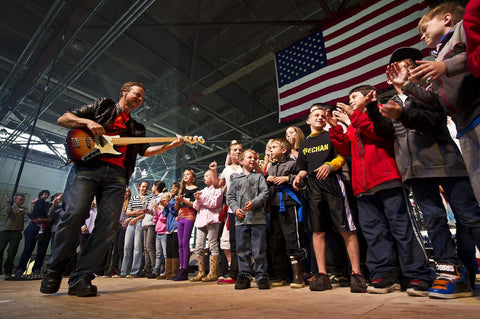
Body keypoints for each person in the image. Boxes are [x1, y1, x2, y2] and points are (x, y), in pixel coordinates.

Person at [40, 81, 183, 297]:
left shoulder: (137, 128)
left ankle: (82, 278)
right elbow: (64, 119)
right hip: (87, 169)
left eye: (143, 97)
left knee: (107, 227)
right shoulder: (102, 106)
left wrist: (169, 146)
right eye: (138, 94)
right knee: (74, 214)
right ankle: (53, 271)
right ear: (124, 92)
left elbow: (146, 151)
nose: (140, 99)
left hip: (117, 177)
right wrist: (88, 123)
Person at [375, 47, 479, 298]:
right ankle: (450, 272)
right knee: (434, 221)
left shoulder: (430, 91)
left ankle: (467, 267)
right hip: (415, 171)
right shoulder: (388, 104)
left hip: (447, 164)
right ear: (390, 77)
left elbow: (433, 120)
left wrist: (406, 98)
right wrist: (373, 111)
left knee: (470, 217)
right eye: (397, 67)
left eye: (408, 66)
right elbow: (384, 134)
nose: (403, 71)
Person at [327, 85, 434, 296]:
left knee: (402, 229)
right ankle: (385, 274)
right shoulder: (355, 124)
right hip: (363, 188)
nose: (350, 101)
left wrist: (356, 116)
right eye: (349, 98)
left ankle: (416, 274)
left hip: (388, 180)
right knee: (374, 232)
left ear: (368, 96)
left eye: (354, 96)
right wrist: (336, 129)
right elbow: (346, 149)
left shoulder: (380, 113)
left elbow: (379, 133)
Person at [400, 3, 480, 204]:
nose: (421, 36)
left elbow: (474, 56)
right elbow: (435, 100)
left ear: (446, 19)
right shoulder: (437, 57)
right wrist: (407, 85)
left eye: (424, 29)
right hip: (463, 124)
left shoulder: (463, 30)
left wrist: (445, 66)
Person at [293, 104, 366, 293]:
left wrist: (331, 166)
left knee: (346, 228)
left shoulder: (332, 134)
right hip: (313, 187)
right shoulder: (305, 144)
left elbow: (343, 154)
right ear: (308, 120)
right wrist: (299, 177)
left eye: (322, 115)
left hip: (334, 182)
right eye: (315, 115)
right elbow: (302, 166)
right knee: (317, 231)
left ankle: (357, 274)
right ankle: (323, 274)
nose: (319, 117)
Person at [266, 137, 306, 288]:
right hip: (274, 207)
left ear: (283, 150)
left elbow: (302, 180)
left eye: (274, 147)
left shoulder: (292, 163)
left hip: (289, 204)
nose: (270, 149)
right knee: (275, 242)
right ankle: (280, 275)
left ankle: (298, 275)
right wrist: (267, 180)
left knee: (292, 238)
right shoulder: (270, 168)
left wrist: (287, 178)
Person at [227, 149, 269, 290]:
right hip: (241, 221)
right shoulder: (235, 179)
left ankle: (261, 276)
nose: (252, 159)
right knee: (242, 249)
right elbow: (230, 197)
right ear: (241, 160)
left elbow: (265, 193)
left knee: (259, 249)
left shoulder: (259, 177)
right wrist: (235, 209)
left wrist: (254, 203)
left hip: (258, 220)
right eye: (249, 157)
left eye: (254, 157)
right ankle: (244, 275)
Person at [216, 140, 243, 285]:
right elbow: (217, 185)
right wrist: (214, 170)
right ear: (230, 154)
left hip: (245, 209)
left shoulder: (245, 167)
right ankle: (234, 273)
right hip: (232, 210)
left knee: (244, 242)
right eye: (235, 150)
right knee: (233, 243)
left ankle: (245, 272)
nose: (238, 152)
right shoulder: (226, 170)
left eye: (240, 149)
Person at [190, 165, 223, 282]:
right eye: (204, 176)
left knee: (213, 245)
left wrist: (202, 199)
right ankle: (201, 272)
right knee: (199, 247)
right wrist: (198, 199)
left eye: (207, 175)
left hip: (213, 220)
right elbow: (195, 206)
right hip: (200, 221)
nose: (205, 177)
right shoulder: (202, 191)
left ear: (214, 176)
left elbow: (215, 204)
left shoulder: (218, 190)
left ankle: (213, 272)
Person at [15, 190, 51, 277]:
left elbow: (50, 217)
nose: (45, 196)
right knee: (28, 249)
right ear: (41, 195)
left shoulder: (48, 205)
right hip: (33, 227)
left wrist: (42, 219)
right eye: (44, 194)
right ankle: (21, 269)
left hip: (43, 228)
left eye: (47, 195)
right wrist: (33, 205)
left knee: (41, 250)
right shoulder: (35, 203)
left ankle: (36, 269)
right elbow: (30, 213)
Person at [120, 181, 151, 278]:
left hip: (141, 222)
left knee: (137, 247)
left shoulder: (149, 198)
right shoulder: (133, 198)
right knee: (127, 247)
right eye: (142, 187)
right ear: (139, 187)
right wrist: (135, 213)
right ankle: (124, 271)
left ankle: (135, 271)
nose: (144, 189)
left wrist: (136, 218)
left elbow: (147, 212)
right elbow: (128, 212)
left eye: (146, 187)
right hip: (131, 222)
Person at [172, 169, 199, 281]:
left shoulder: (196, 190)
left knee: (185, 242)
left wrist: (183, 200)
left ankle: (184, 269)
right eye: (184, 175)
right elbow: (176, 207)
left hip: (189, 217)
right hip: (181, 216)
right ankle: (181, 269)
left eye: (188, 174)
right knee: (180, 244)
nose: (185, 176)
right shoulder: (182, 190)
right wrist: (178, 201)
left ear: (192, 177)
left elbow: (194, 205)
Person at [0, 193, 26, 278]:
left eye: (23, 200)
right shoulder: (9, 207)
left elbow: (30, 211)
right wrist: (8, 202)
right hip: (6, 231)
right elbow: (8, 211)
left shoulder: (23, 209)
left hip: (16, 233)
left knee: (12, 253)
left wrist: (33, 203)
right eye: (20, 199)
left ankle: (8, 272)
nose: (22, 201)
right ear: (15, 200)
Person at [144, 181, 165, 278]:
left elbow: (159, 212)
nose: (151, 188)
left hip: (153, 223)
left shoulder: (161, 197)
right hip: (146, 222)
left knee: (150, 246)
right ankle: (147, 268)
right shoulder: (153, 197)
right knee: (146, 247)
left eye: (152, 186)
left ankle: (154, 268)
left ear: (156, 186)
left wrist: (152, 211)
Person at [159, 183, 180, 279]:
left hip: (175, 227)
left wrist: (168, 205)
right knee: (168, 250)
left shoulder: (176, 200)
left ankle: (174, 271)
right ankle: (168, 271)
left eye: (175, 188)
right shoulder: (170, 201)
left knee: (174, 249)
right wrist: (165, 206)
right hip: (168, 228)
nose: (173, 189)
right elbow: (165, 214)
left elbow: (176, 212)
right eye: (171, 188)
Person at [110, 187, 131, 277]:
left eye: (127, 192)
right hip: (116, 227)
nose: (126, 193)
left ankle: (122, 269)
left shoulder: (129, 202)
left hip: (124, 227)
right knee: (115, 249)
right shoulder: (118, 202)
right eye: (125, 191)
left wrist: (128, 220)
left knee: (120, 248)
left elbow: (132, 214)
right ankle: (113, 268)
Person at [152, 191, 168, 278]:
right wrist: (156, 212)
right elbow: (156, 219)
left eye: (165, 198)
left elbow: (164, 219)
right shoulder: (159, 208)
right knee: (158, 253)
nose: (163, 199)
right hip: (158, 232)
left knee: (165, 253)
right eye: (162, 198)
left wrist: (160, 211)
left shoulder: (166, 208)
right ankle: (155, 270)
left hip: (164, 232)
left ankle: (166, 270)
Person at [464, 0, 480, 77]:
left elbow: (475, 63)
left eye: (425, 29)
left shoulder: (474, 7)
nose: (423, 37)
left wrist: (445, 66)